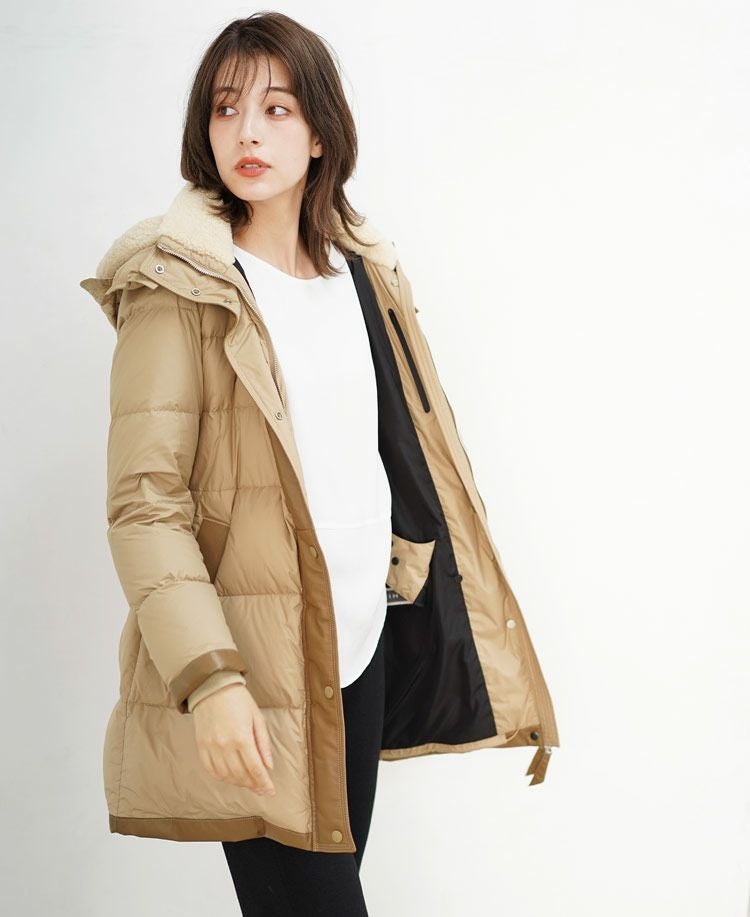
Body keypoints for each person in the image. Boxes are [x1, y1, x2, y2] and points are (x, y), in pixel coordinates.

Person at [79, 11, 559, 917]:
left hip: (357, 644)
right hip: (250, 659)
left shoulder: (364, 276)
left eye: (277, 108)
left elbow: (399, 452)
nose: (247, 133)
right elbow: (146, 504)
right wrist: (211, 678)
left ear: (321, 132)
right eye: (225, 108)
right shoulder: (178, 284)